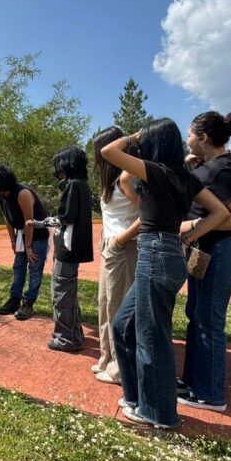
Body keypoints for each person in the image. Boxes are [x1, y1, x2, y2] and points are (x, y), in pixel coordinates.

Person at [101, 119, 228, 428]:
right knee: (123, 326)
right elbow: (221, 212)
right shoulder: (184, 177)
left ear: (152, 143)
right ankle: (136, 398)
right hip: (168, 253)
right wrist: (186, 236)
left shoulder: (157, 172)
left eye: (146, 140)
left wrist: (134, 135)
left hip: (156, 254)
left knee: (151, 336)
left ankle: (159, 414)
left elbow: (108, 151)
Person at [179, 111, 231, 412]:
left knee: (209, 321)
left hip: (222, 250)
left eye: (190, 134)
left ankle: (210, 394)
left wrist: (189, 229)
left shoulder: (223, 169)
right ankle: (192, 381)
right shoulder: (208, 167)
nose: (187, 140)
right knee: (196, 315)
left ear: (204, 138)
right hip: (206, 250)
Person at [91, 126, 142, 383]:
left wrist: (121, 240)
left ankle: (120, 369)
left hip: (123, 247)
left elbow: (148, 216)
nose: (97, 158)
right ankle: (107, 357)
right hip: (110, 247)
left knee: (118, 308)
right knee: (105, 305)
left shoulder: (127, 177)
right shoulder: (110, 180)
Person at [0, 165, 49, 320]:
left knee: (34, 268)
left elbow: (30, 222)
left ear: (3, 181)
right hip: (20, 234)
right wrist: (13, 240)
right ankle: (14, 299)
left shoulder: (23, 193)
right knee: (18, 266)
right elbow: (7, 218)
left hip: (37, 234)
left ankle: (28, 303)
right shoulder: (0, 195)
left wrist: (28, 246)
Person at [47, 146, 94, 352]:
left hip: (67, 247)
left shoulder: (73, 186)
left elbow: (66, 216)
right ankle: (74, 334)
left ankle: (65, 337)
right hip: (75, 247)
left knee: (61, 293)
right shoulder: (83, 185)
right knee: (69, 292)